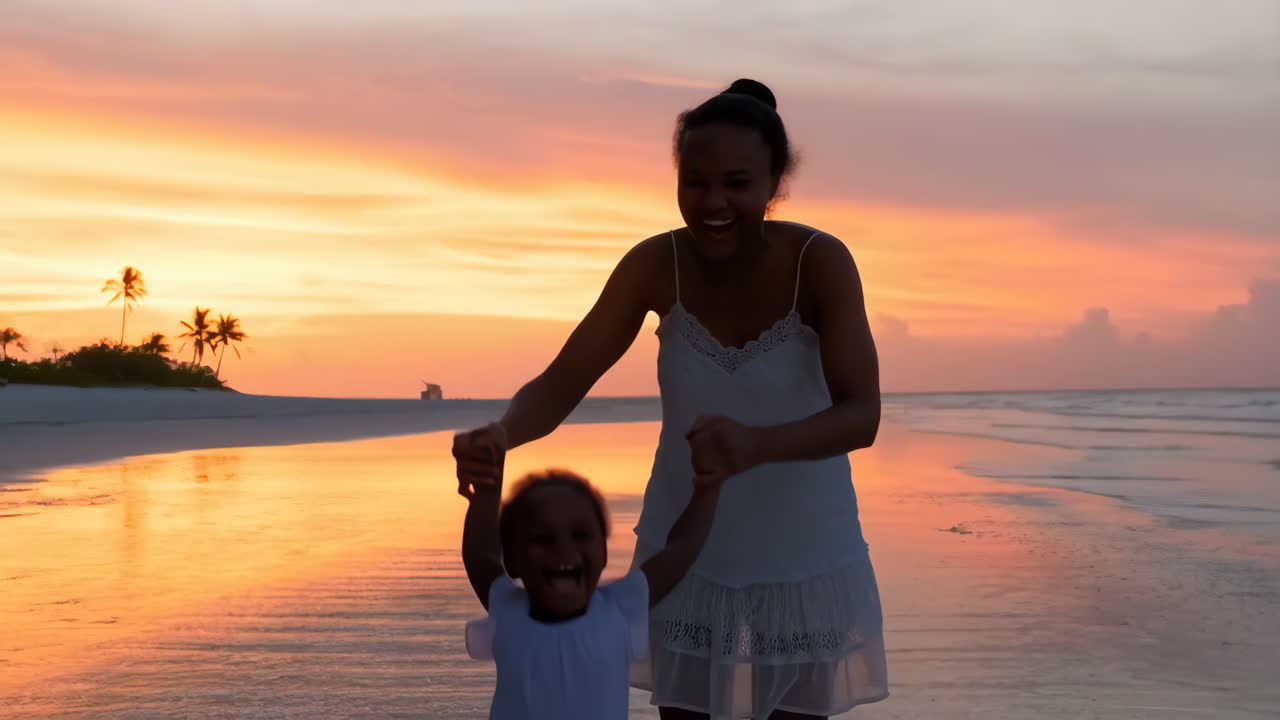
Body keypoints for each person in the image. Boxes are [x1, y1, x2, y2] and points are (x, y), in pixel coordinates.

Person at [453, 78, 888, 719]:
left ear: (774, 185)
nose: (713, 202)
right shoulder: (656, 264)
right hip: (683, 561)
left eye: (737, 183)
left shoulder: (820, 262)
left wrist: (755, 445)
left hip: (805, 557)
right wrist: (501, 433)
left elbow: (862, 415)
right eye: (695, 182)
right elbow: (562, 381)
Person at [461, 467, 724, 720]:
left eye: (581, 535)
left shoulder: (619, 606)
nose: (564, 549)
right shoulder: (509, 608)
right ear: (513, 559)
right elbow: (480, 556)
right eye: (542, 538)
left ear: (604, 553)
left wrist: (708, 488)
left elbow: (680, 551)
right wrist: (487, 490)